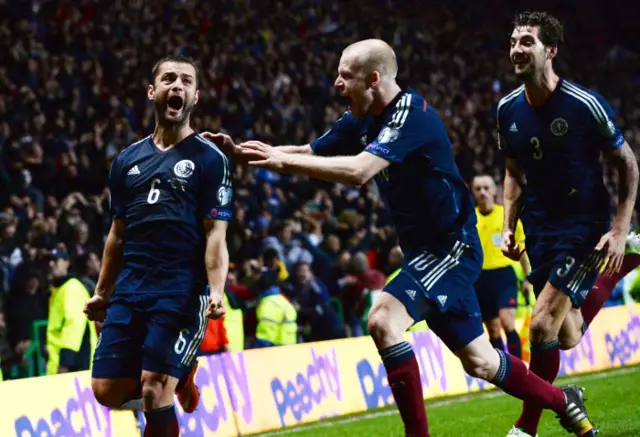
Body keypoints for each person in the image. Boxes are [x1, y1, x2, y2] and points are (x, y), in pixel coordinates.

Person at [206, 38, 597, 437]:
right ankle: (564, 401)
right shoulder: (358, 117)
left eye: (346, 76)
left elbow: (360, 171)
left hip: (450, 247)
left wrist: (282, 159)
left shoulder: (411, 115)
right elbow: (310, 150)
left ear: (374, 79)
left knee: (382, 319)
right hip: (427, 253)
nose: (337, 84)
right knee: (480, 361)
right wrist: (247, 153)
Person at [498, 12, 639, 437]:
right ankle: (627, 261)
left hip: (583, 223)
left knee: (540, 324)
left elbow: (628, 165)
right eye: (513, 41)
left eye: (527, 41)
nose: (517, 49)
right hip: (540, 227)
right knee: (567, 335)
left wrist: (617, 226)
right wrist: (509, 224)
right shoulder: (507, 109)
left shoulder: (584, 105)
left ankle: (527, 427)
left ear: (550, 50)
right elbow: (512, 172)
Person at [83, 55, 233, 437]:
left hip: (181, 289)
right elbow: (117, 235)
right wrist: (102, 293)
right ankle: (181, 374)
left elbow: (216, 234)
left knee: (153, 387)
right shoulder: (126, 162)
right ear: (153, 91)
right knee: (106, 390)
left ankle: (170, 374)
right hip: (133, 287)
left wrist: (216, 290)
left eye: (186, 81)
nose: (177, 86)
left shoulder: (210, 158)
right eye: (169, 79)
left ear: (195, 96)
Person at [472, 174, 531, 359]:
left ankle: (520, 368)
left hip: (504, 275)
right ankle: (505, 373)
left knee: (507, 321)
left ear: (495, 190)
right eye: (478, 188)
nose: (482, 192)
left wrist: (528, 277)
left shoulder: (507, 217)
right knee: (493, 330)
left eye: (486, 188)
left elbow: (521, 250)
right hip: (479, 279)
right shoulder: (469, 220)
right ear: (473, 192)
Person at [46, 248, 98, 375]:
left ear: (66, 263)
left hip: (73, 369)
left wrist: (64, 363)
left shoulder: (72, 288)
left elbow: (74, 326)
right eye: (49, 261)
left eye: (55, 260)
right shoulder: (58, 290)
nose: (51, 264)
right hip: (61, 367)